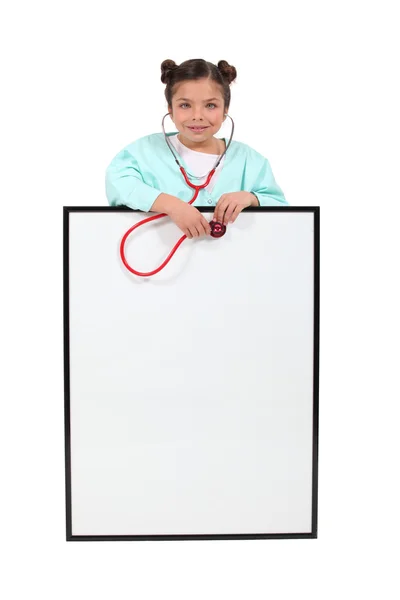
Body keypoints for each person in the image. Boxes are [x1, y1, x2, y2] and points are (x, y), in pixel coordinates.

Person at [105, 58, 288, 240]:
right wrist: (171, 205)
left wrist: (251, 198)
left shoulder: (250, 160)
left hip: (236, 264)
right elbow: (119, 185)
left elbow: (285, 212)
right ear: (170, 109)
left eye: (210, 105)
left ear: (226, 110)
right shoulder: (142, 152)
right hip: (164, 262)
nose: (197, 116)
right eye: (185, 105)